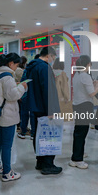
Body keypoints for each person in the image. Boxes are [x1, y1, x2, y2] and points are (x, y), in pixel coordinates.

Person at [26, 46, 62, 175]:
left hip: (35, 107)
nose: (53, 60)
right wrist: (51, 110)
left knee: (38, 135)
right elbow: (48, 91)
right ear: (49, 55)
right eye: (53, 57)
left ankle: (40, 162)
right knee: (48, 136)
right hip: (44, 108)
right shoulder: (44, 67)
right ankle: (48, 165)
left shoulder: (32, 66)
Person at [0, 53, 27, 182]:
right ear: (11, 63)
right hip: (8, 114)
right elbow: (13, 96)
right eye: (16, 64)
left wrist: (15, 85)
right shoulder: (7, 77)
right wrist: (22, 87)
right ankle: (7, 172)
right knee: (7, 145)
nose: (17, 67)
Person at [70, 55, 98, 169]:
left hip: (77, 105)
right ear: (88, 64)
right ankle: (77, 159)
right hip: (84, 105)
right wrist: (96, 85)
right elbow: (91, 93)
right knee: (81, 132)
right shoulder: (85, 76)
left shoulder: (77, 75)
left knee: (78, 131)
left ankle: (78, 154)